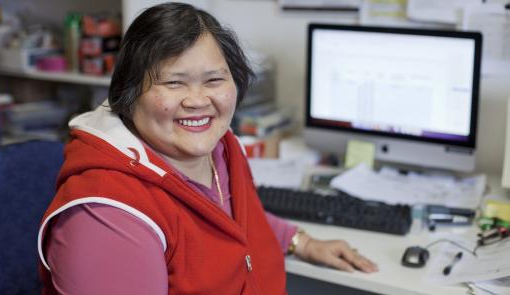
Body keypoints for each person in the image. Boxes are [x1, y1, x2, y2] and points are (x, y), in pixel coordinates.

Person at [38, 2, 378, 294]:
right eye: (174, 83)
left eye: (214, 80)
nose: (198, 101)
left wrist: (301, 242)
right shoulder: (107, 216)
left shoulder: (222, 147)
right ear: (129, 93)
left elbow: (233, 219)